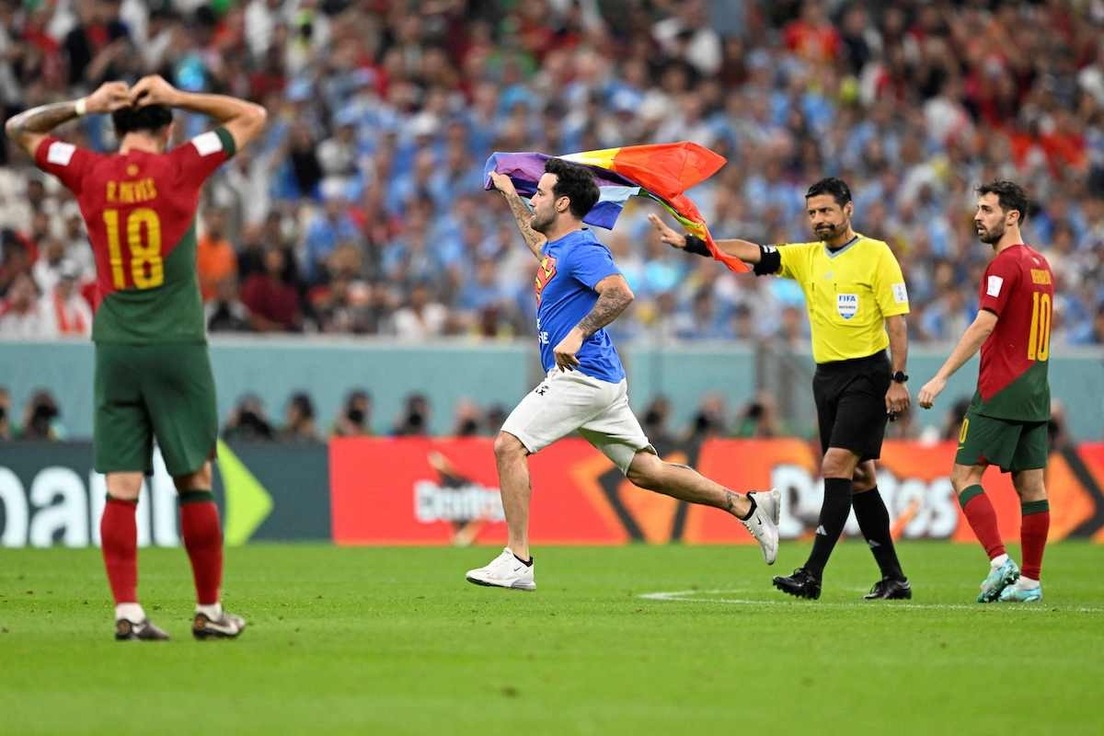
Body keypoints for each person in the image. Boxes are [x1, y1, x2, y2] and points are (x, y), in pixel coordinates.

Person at [6, 75, 266, 640]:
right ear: (167, 128)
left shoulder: (88, 169)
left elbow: (18, 129)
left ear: (113, 128)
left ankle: (127, 610)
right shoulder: (181, 165)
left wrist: (83, 104)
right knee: (194, 478)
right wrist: (179, 95)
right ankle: (209, 610)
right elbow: (251, 115)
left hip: (115, 346)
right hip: (176, 346)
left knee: (121, 486)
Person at [466, 160, 780, 591]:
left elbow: (621, 292)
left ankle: (518, 559)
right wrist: (508, 193)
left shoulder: (584, 248)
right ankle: (747, 506)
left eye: (538, 192)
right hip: (602, 380)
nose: (532, 197)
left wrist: (577, 333)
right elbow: (536, 239)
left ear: (562, 203)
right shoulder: (559, 248)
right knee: (646, 472)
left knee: (508, 445)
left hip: (581, 375)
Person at [650, 176, 912, 601]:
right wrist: (693, 244)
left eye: (826, 211)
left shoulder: (876, 255)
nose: (818, 220)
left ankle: (812, 574)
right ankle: (894, 579)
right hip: (826, 377)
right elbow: (751, 250)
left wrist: (898, 379)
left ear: (849, 209)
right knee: (860, 477)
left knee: (835, 465)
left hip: (868, 374)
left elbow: (897, 322)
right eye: (812, 213)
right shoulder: (806, 257)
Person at [918, 181, 1053, 604]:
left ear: (1012, 217)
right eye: (978, 209)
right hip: (1035, 391)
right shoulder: (1040, 264)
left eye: (987, 209)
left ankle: (999, 563)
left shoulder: (1004, 265)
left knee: (963, 475)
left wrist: (940, 377)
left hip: (1001, 390)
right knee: (1032, 486)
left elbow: (984, 323)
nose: (978, 217)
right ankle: (1030, 582)